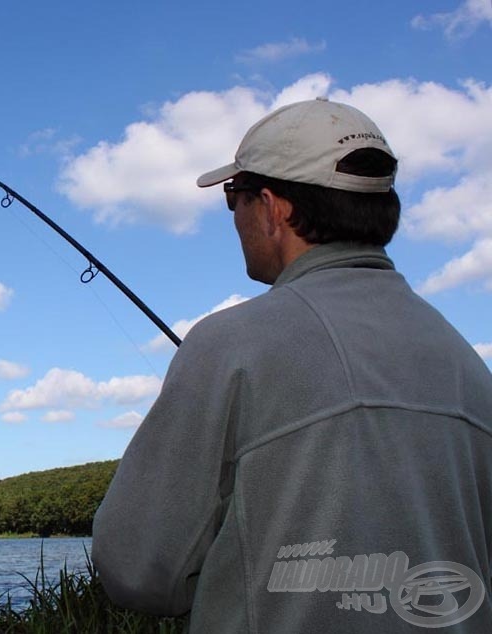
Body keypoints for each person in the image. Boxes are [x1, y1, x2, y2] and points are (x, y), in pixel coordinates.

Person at [92, 98, 492, 633]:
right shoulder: (465, 362)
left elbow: (138, 570)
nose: (233, 217)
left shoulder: (227, 344)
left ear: (273, 207)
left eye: (233, 198)